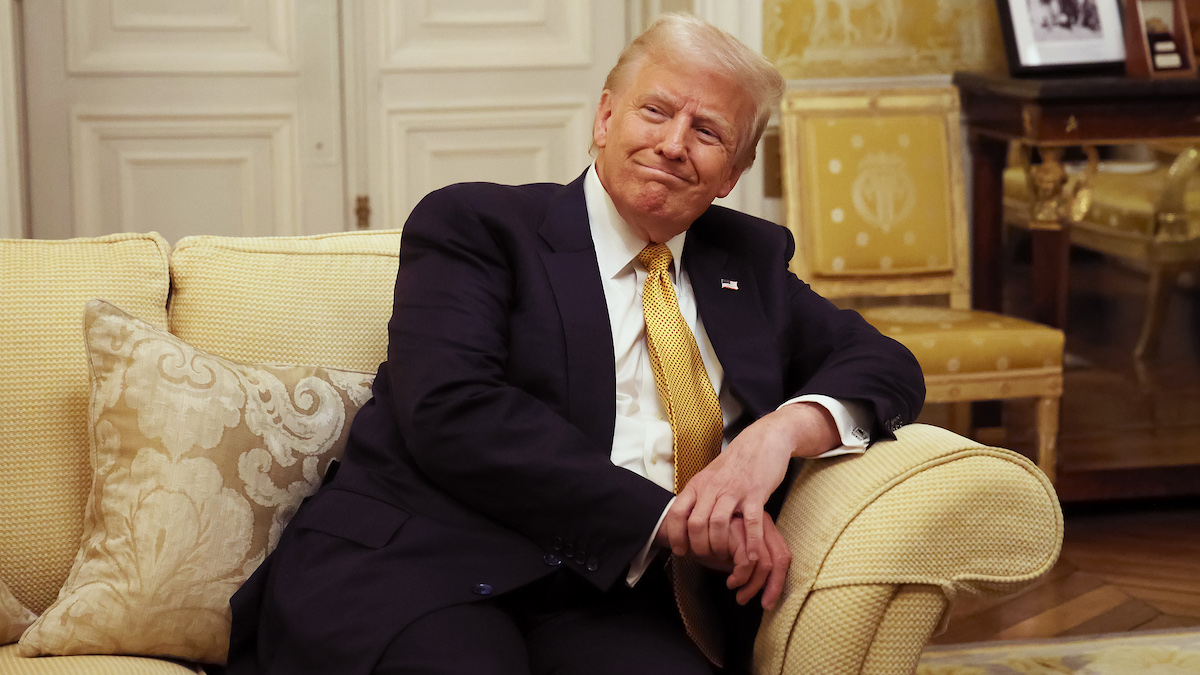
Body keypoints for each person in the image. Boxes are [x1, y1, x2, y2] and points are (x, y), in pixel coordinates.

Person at [227, 13, 924, 675]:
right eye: (657, 111)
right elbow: (453, 409)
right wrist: (673, 518)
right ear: (604, 117)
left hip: (606, 599)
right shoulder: (479, 226)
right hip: (420, 563)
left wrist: (778, 434)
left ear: (733, 173)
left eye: (708, 131)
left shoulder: (748, 261)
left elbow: (887, 365)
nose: (675, 144)